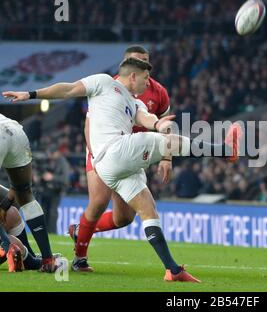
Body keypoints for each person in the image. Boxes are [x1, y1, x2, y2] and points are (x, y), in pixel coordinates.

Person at [3, 57, 242, 282]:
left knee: (147, 208)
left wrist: (159, 123)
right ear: (133, 75)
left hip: (115, 167)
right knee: (166, 144)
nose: (149, 83)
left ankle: (172, 269)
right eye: (146, 78)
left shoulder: (134, 102)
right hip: (112, 151)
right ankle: (225, 149)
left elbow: (146, 118)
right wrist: (31, 94)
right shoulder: (104, 82)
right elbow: (67, 89)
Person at [68, 45, 171, 272]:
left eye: (145, 60)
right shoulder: (110, 86)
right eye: (138, 60)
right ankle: (80, 258)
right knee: (98, 203)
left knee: (124, 218)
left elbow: (165, 126)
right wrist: (96, 156)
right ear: (128, 67)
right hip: (102, 151)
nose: (143, 65)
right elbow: (90, 122)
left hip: (133, 156)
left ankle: (80, 230)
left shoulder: (158, 92)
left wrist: (167, 157)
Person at [0, 114, 58, 272]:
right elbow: (18, 188)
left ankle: (10, 248)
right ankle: (47, 259)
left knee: (12, 211)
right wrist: (6, 203)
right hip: (15, 129)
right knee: (25, 195)